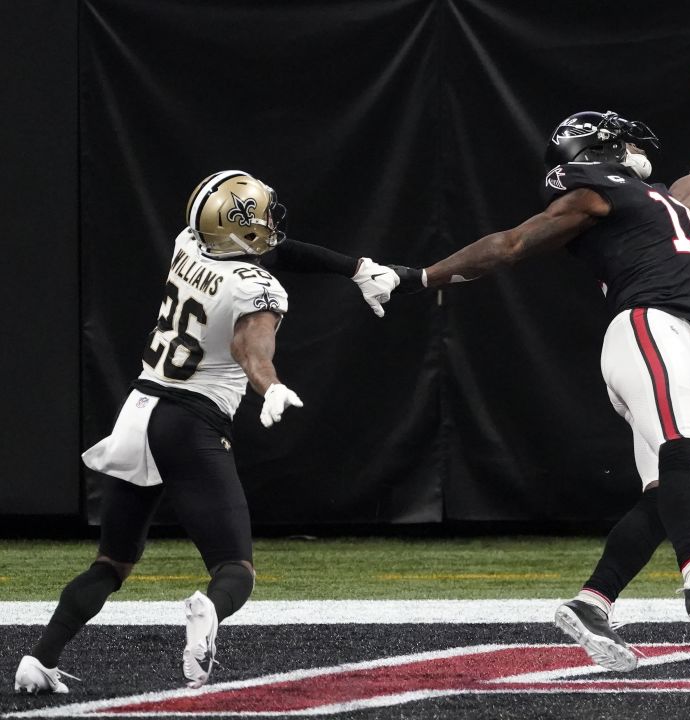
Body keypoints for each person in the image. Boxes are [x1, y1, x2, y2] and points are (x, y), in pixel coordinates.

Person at [399, 103, 690, 672]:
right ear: (599, 150)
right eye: (624, 140)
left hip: (677, 339)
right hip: (648, 326)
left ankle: (592, 601)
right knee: (679, 452)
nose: (637, 147)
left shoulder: (661, 201)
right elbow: (510, 245)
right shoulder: (593, 190)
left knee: (667, 492)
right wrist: (420, 277)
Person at [13, 170, 412, 694]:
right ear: (240, 229)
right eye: (262, 215)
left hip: (138, 410)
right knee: (236, 571)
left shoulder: (188, 244)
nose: (272, 222)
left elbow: (278, 253)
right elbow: (253, 345)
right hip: (189, 423)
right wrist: (268, 386)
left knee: (112, 562)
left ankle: (39, 658)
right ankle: (208, 610)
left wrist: (355, 267)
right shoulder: (257, 287)